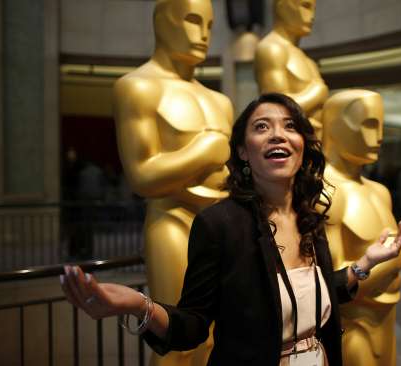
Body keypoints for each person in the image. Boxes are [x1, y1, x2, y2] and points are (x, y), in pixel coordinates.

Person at [60, 93, 401, 366]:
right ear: (243, 151)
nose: (278, 135)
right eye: (261, 127)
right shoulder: (220, 224)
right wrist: (139, 305)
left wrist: (365, 263)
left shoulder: (310, 218)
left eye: (290, 126)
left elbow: (307, 294)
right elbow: (193, 325)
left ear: (303, 146)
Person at [113, 0, 233, 364]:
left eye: (209, 25)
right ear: (163, 22)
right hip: (174, 219)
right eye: (192, 21)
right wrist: (206, 150)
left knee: (223, 334)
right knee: (180, 340)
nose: (203, 35)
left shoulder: (220, 101)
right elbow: (142, 175)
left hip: (224, 224)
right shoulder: (137, 88)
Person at [322, 90, 401, 365]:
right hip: (352, 326)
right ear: (335, 125)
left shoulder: (379, 191)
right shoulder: (326, 192)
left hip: (386, 319)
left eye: (381, 125)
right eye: (369, 124)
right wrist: (387, 264)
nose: (379, 136)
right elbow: (327, 282)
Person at [254, 0, 328, 138]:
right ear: (282, 7)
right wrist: (317, 92)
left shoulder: (306, 58)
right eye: (305, 6)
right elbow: (276, 107)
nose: (312, 16)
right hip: (289, 146)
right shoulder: (271, 49)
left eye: (313, 9)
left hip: (313, 145)